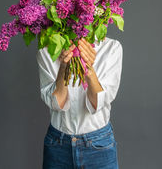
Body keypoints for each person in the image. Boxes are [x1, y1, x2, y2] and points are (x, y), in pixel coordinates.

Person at [36, 35, 123, 169]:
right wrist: (64, 67)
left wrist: (88, 67)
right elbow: (56, 103)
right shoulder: (47, 50)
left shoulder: (111, 48)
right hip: (58, 145)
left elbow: (98, 103)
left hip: (98, 145)